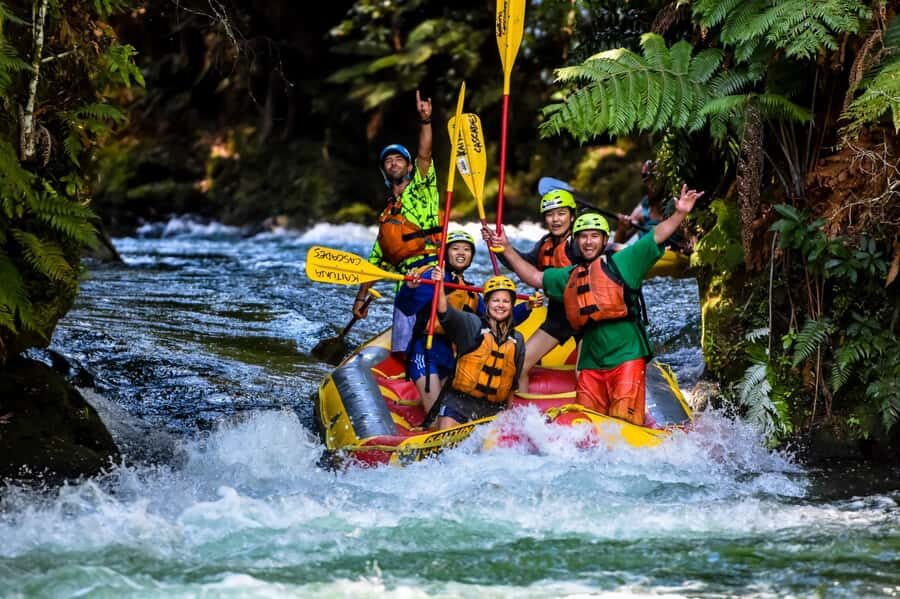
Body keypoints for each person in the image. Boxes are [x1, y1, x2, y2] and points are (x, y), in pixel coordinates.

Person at [486, 184, 703, 426]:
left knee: (615, 412)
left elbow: (655, 236)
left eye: (594, 236)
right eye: (584, 237)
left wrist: (680, 212)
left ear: (602, 239)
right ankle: (520, 419)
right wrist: (504, 248)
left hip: (616, 346)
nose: (588, 242)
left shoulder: (621, 260)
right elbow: (534, 277)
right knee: (582, 419)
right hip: (577, 337)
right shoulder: (561, 265)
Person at [397, 230, 537, 413]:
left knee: (450, 408)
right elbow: (406, 307)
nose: (461, 253)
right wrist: (409, 289)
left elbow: (496, 321)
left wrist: (527, 307)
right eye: (455, 249)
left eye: (466, 249)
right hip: (426, 350)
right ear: (446, 253)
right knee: (434, 414)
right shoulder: (434, 277)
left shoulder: (469, 292)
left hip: (451, 354)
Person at [351, 90, 440, 356]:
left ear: (409, 167)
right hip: (404, 282)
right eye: (388, 161)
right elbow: (374, 262)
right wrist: (360, 297)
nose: (393, 163)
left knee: (428, 336)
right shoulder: (386, 215)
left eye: (399, 159)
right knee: (402, 350)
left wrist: (426, 121)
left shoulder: (423, 187)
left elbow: (424, 154)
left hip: (431, 273)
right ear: (384, 172)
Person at [484, 188, 580, 392]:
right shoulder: (545, 244)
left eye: (561, 214)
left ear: (572, 217)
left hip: (585, 319)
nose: (555, 219)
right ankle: (525, 418)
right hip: (559, 316)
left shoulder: (582, 242)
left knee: (584, 374)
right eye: (550, 215)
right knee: (518, 366)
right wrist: (501, 248)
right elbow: (523, 264)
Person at [430, 267, 526, 429]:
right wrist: (439, 285)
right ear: (487, 303)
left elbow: (512, 384)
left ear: (512, 305)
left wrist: (507, 416)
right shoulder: (471, 324)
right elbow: (444, 311)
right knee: (445, 447)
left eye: (506, 301)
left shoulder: (517, 340)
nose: (500, 305)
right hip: (458, 405)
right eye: (495, 300)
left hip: (492, 411)